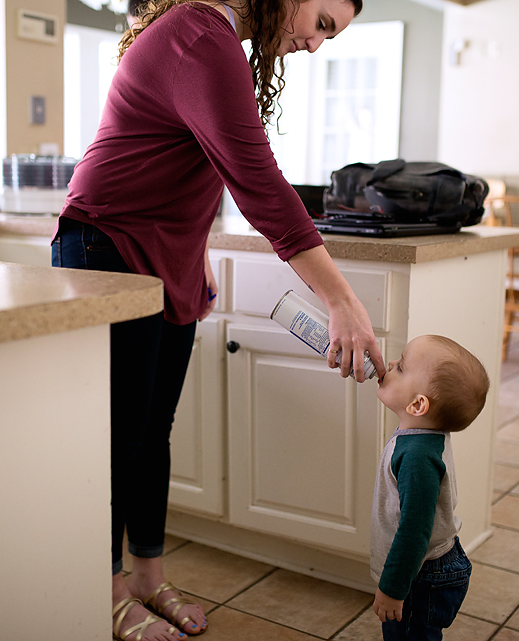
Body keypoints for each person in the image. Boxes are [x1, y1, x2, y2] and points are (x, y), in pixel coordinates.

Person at [50, 0, 383, 639]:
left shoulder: (220, 42)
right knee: (117, 439)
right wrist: (341, 299)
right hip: (107, 242)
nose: (317, 45)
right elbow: (254, 178)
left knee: (153, 434)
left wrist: (195, 248)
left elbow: (195, 160)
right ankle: (104, 586)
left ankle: (147, 575)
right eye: (322, 23)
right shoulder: (201, 32)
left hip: (166, 253)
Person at [371, 335, 489, 641]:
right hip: (425, 567)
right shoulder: (422, 434)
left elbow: (414, 531)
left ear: (418, 404)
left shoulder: (417, 458)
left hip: (423, 575)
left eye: (401, 366)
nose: (391, 363)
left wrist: (393, 589)